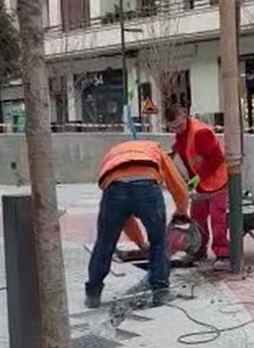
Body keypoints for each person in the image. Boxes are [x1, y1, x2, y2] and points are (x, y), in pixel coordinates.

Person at [84, 140, 189, 308]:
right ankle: (160, 293)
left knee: (104, 243)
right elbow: (178, 187)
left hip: (114, 188)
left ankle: (93, 295)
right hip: (146, 187)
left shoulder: (114, 153)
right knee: (159, 243)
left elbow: (124, 218)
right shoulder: (157, 151)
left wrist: (140, 243)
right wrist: (181, 211)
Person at [164, 104, 229, 265]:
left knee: (217, 221)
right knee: (197, 219)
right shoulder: (181, 135)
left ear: (185, 115)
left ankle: (223, 255)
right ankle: (199, 251)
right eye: (174, 128)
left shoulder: (201, 133)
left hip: (216, 183)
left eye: (179, 125)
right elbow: (183, 152)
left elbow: (217, 159)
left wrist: (199, 177)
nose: (178, 129)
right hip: (200, 184)